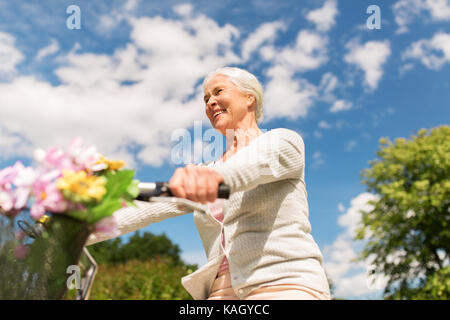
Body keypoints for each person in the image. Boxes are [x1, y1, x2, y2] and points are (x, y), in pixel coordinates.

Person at [86, 67, 331, 300]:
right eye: (205, 99)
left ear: (250, 98)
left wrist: (210, 181)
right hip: (220, 291)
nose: (210, 102)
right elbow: (142, 210)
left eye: (218, 92)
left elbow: (250, 167)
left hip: (285, 283)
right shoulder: (207, 171)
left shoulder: (282, 141)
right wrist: (72, 230)